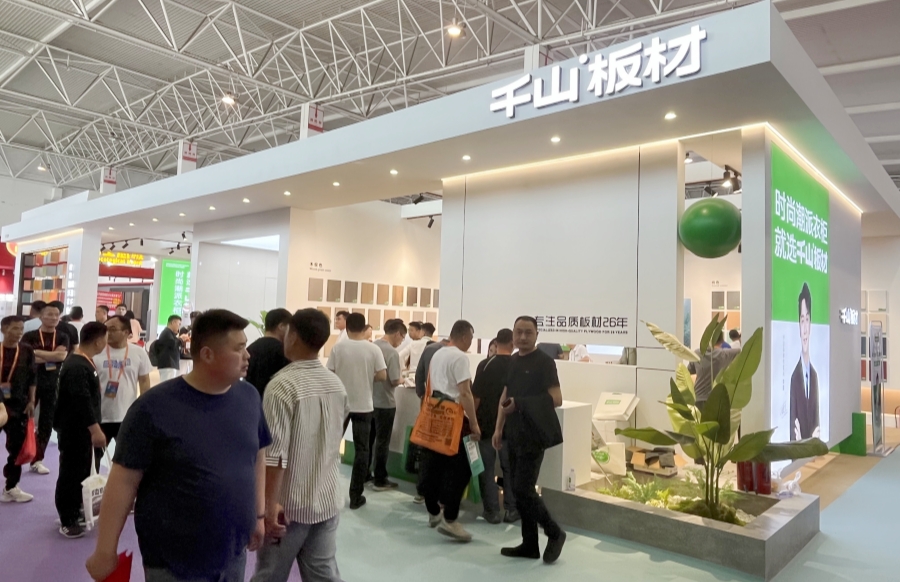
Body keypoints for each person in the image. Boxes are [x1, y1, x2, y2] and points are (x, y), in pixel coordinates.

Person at [86, 310, 271, 582]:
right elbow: (123, 481)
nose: (248, 355)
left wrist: (258, 514)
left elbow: (258, 455)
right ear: (207, 355)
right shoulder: (153, 408)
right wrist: (105, 550)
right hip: (173, 561)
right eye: (239, 348)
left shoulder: (249, 397)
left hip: (233, 553)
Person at [253, 309, 349, 582]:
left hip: (288, 508)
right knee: (323, 575)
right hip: (326, 500)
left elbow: (275, 455)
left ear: (292, 336)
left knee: (270, 576)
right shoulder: (335, 384)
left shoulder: (281, 386)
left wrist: (270, 505)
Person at [494, 316, 566, 563]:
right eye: (519, 332)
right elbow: (505, 396)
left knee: (523, 489)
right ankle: (529, 544)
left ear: (537, 334)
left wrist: (520, 404)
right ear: (512, 334)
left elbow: (556, 398)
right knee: (518, 489)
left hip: (534, 434)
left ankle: (554, 532)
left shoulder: (545, 362)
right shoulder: (513, 361)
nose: (523, 337)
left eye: (528, 332)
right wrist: (498, 428)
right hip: (514, 432)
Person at [419, 319, 481, 542]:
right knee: (461, 469)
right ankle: (451, 519)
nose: (471, 342)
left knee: (433, 464)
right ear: (464, 337)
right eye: (471, 338)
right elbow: (465, 393)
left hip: (435, 414)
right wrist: (474, 423)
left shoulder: (438, 353)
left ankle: (433, 510)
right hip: (454, 417)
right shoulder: (460, 357)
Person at [326, 313, 386, 510]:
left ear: (348, 327)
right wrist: (367, 377)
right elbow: (382, 375)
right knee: (362, 451)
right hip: (364, 406)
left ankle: (326, 491)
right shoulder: (373, 349)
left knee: (331, 448)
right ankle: (355, 496)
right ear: (364, 327)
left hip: (340, 405)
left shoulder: (338, 348)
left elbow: (330, 373)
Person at [55, 322, 109, 538]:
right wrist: (95, 429)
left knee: (81, 470)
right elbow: (81, 401)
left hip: (80, 429)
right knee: (71, 472)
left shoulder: (84, 361)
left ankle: (75, 509)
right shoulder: (77, 366)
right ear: (98, 341)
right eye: (105, 339)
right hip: (75, 430)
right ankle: (67, 519)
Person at [472, 329, 518, 525]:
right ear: (513, 344)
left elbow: (475, 397)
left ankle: (491, 511)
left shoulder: (485, 365)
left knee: (486, 470)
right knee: (510, 469)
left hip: (485, 425)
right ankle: (511, 510)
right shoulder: (517, 365)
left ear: (496, 343)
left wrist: (472, 421)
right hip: (510, 427)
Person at [93, 316, 152, 463]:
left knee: (127, 460)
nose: (107, 333)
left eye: (112, 329)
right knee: (93, 460)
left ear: (127, 332)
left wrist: (143, 411)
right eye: (105, 329)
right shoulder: (96, 351)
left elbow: (144, 382)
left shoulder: (139, 353)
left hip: (127, 416)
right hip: (99, 416)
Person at [21, 301, 70, 474]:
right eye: (49, 314)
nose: (54, 317)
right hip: (30, 384)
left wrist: (38, 353)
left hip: (52, 384)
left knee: (46, 422)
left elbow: (61, 356)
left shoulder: (63, 336)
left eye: (57, 314)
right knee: (23, 419)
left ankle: (37, 460)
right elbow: (27, 357)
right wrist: (51, 355)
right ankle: (18, 456)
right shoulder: (30, 336)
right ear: (41, 316)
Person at [0, 316, 37, 503]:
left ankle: (11, 486)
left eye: (21, 329)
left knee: (16, 449)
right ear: (4, 329)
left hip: (18, 406)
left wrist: (31, 401)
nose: (19, 332)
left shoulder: (26, 350)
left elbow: (32, 377)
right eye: (15, 328)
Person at [370, 319, 406, 491]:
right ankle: (380, 479)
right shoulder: (392, 353)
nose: (401, 341)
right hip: (385, 403)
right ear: (398, 333)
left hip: (370, 402)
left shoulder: (372, 347)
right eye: (402, 337)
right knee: (382, 443)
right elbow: (394, 380)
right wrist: (403, 379)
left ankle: (365, 475)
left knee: (368, 442)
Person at [791, 283, 820, 441]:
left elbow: (817, 427)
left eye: (807, 319)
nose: (805, 329)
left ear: (811, 324)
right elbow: (793, 434)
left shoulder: (814, 376)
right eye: (802, 320)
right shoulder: (794, 378)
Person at [246, 309, 292, 398]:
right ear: (281, 326)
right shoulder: (284, 351)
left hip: (252, 399)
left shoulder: (250, 349)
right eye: (289, 327)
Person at [687, 331, 740, 408]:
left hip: (699, 397)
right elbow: (743, 350)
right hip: (717, 399)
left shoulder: (697, 353)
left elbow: (689, 371)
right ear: (722, 340)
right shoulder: (724, 354)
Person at [153, 315, 182, 381]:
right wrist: (181, 339)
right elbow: (172, 344)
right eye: (179, 324)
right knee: (167, 384)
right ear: (173, 322)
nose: (179, 326)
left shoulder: (169, 333)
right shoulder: (166, 333)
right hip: (168, 365)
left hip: (170, 365)